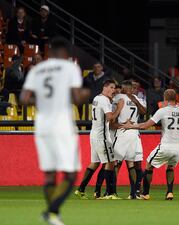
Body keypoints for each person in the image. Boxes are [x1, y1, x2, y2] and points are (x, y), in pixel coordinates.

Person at [20, 36, 89, 225]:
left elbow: (24, 98)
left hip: (41, 124)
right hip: (61, 123)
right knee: (71, 173)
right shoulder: (70, 67)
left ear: (49, 52)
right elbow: (76, 97)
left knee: (49, 172)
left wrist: (43, 101)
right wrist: (86, 93)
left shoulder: (37, 69)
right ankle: (51, 211)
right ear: (66, 53)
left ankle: (53, 217)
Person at [121, 89, 179, 200]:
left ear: (165, 98)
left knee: (149, 165)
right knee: (170, 167)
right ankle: (169, 192)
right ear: (176, 98)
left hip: (166, 145)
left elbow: (145, 126)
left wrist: (131, 126)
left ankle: (145, 193)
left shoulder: (162, 111)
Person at [74, 79, 123, 200]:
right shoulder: (105, 100)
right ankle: (109, 193)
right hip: (102, 136)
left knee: (95, 162)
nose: (113, 90)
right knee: (110, 161)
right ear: (105, 87)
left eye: (114, 88)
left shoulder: (96, 98)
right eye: (111, 87)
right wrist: (119, 108)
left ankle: (81, 189)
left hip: (94, 134)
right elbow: (110, 117)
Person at [110, 80, 146, 199]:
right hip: (128, 133)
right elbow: (144, 112)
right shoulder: (127, 98)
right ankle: (119, 191)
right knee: (124, 162)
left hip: (129, 132)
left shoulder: (129, 98)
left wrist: (135, 101)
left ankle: (130, 192)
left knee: (129, 162)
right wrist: (120, 125)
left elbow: (144, 112)